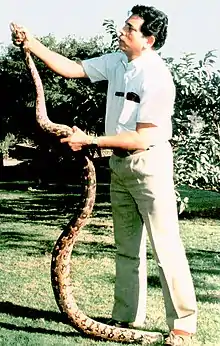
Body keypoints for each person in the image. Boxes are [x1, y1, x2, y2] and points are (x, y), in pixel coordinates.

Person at [12, 5, 197, 345]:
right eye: (124, 26)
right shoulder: (117, 61)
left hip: (149, 165)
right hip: (120, 165)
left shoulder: (157, 77)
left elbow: (141, 137)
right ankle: (125, 317)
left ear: (149, 40)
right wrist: (32, 44)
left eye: (130, 29)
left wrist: (91, 140)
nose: (122, 32)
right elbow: (71, 69)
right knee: (127, 247)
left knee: (165, 247)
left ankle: (183, 326)